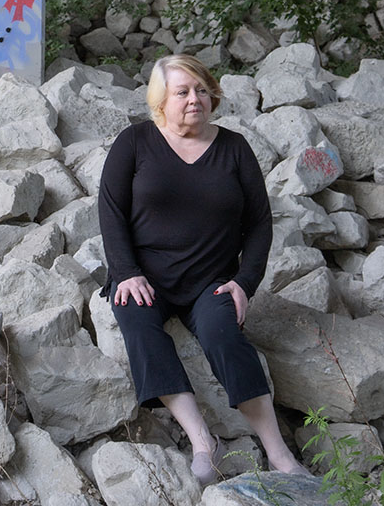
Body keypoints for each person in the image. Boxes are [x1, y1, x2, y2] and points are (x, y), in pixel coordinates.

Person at [98, 53, 310, 486]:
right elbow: (111, 211)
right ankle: (202, 443)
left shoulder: (233, 147)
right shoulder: (134, 142)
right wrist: (126, 270)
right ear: (161, 101)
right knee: (138, 326)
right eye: (182, 91)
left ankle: (279, 453)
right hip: (145, 279)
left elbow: (259, 223)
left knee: (223, 335)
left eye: (201, 89)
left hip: (211, 281)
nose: (194, 98)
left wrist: (243, 283)